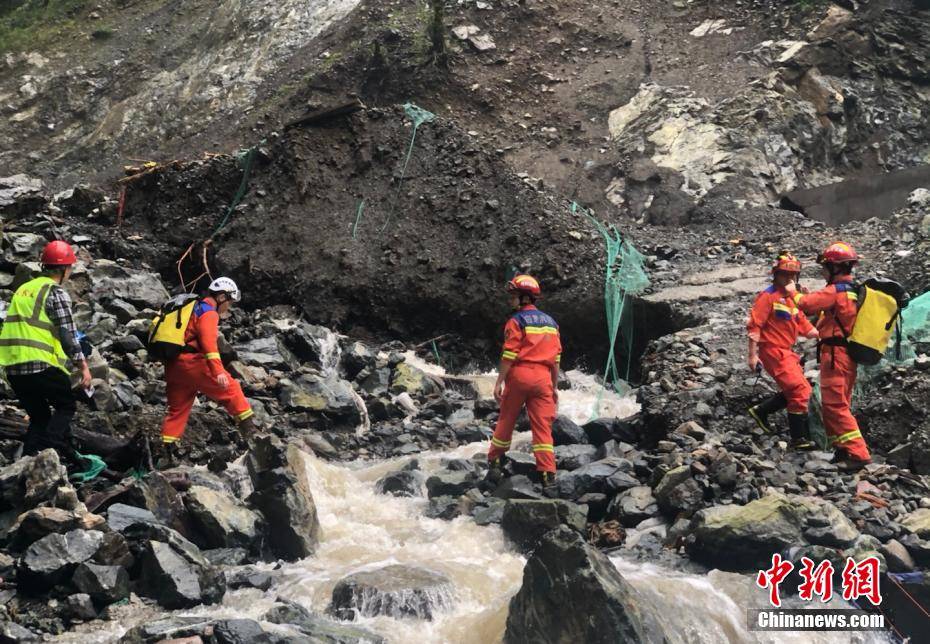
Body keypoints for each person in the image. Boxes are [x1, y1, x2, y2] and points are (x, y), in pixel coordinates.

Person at [0, 241, 93, 465]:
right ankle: (47, 454)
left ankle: (26, 464)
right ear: (64, 269)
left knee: (40, 417)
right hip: (39, 364)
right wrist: (83, 368)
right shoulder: (55, 292)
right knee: (66, 405)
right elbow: (68, 334)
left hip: (13, 367)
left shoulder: (24, 289)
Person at [788, 242, 871, 470]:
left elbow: (806, 305)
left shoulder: (836, 291)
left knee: (835, 406)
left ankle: (858, 453)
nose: (823, 271)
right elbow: (824, 312)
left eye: (825, 267)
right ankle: (843, 449)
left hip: (836, 356)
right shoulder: (851, 290)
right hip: (843, 356)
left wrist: (792, 291)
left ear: (835, 268)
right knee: (836, 404)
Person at [485, 274, 562, 488]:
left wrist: (499, 381)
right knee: (542, 428)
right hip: (544, 378)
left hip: (520, 375)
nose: (511, 300)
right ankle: (548, 474)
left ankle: (495, 460)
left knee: (507, 419)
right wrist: (554, 387)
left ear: (525, 298)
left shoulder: (516, 321)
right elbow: (556, 359)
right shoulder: (551, 323)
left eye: (514, 296)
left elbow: (509, 353)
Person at [160, 277, 254, 449]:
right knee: (232, 390)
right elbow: (209, 344)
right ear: (221, 298)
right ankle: (252, 438)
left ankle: (165, 453)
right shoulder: (208, 313)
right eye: (229, 302)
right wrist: (218, 372)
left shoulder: (192, 308)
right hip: (192, 363)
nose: (229, 307)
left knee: (177, 411)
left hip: (173, 365)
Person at [746, 252, 819, 449]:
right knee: (799, 389)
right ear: (776, 275)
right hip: (773, 351)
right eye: (784, 275)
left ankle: (761, 411)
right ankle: (798, 438)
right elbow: (754, 326)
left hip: (787, 352)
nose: (789, 279)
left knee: (796, 387)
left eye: (793, 275)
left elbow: (807, 328)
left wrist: (830, 333)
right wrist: (752, 355)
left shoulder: (793, 299)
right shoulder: (768, 297)